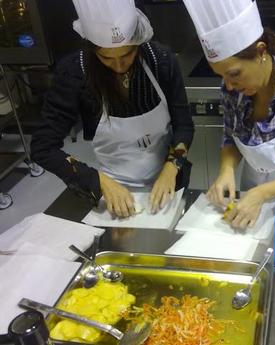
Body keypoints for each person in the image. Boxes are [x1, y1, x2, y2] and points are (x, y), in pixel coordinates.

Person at [32, 0, 194, 218]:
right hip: (113, 186)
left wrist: (172, 166)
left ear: (138, 41)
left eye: (127, 55)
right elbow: (43, 147)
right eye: (106, 58)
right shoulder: (75, 72)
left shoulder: (161, 61)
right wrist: (98, 180)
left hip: (167, 178)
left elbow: (183, 125)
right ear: (91, 50)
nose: (119, 66)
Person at [183, 0, 275, 229]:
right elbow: (230, 137)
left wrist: (261, 194)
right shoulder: (231, 90)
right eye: (221, 76)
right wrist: (226, 170)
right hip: (251, 194)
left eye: (234, 74)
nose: (229, 86)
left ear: (261, 52)